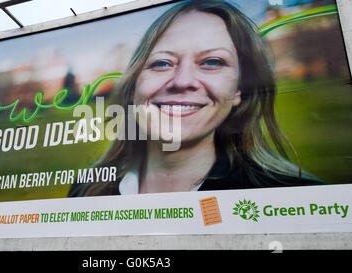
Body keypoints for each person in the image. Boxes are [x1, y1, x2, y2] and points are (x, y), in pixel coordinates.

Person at [69, 0, 322, 197]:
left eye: (212, 62)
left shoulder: (294, 197)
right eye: (162, 63)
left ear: (238, 91)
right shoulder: (87, 189)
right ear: (134, 85)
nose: (182, 81)